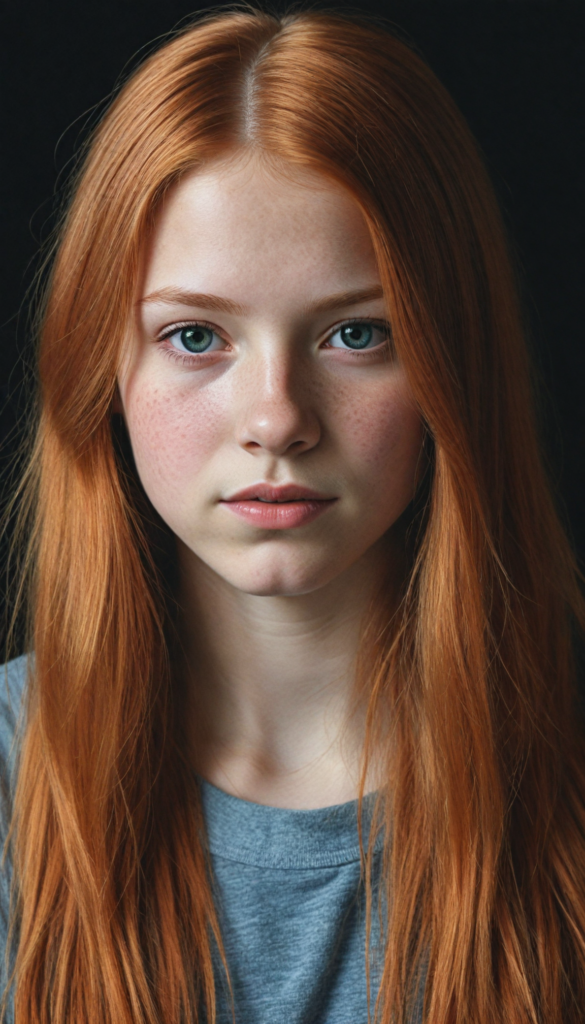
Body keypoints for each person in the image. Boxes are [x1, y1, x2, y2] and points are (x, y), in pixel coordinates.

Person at [1, 7, 584, 1023]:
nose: (276, 417)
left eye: (356, 332)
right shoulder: (12, 776)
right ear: (102, 368)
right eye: (194, 336)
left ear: (456, 362)